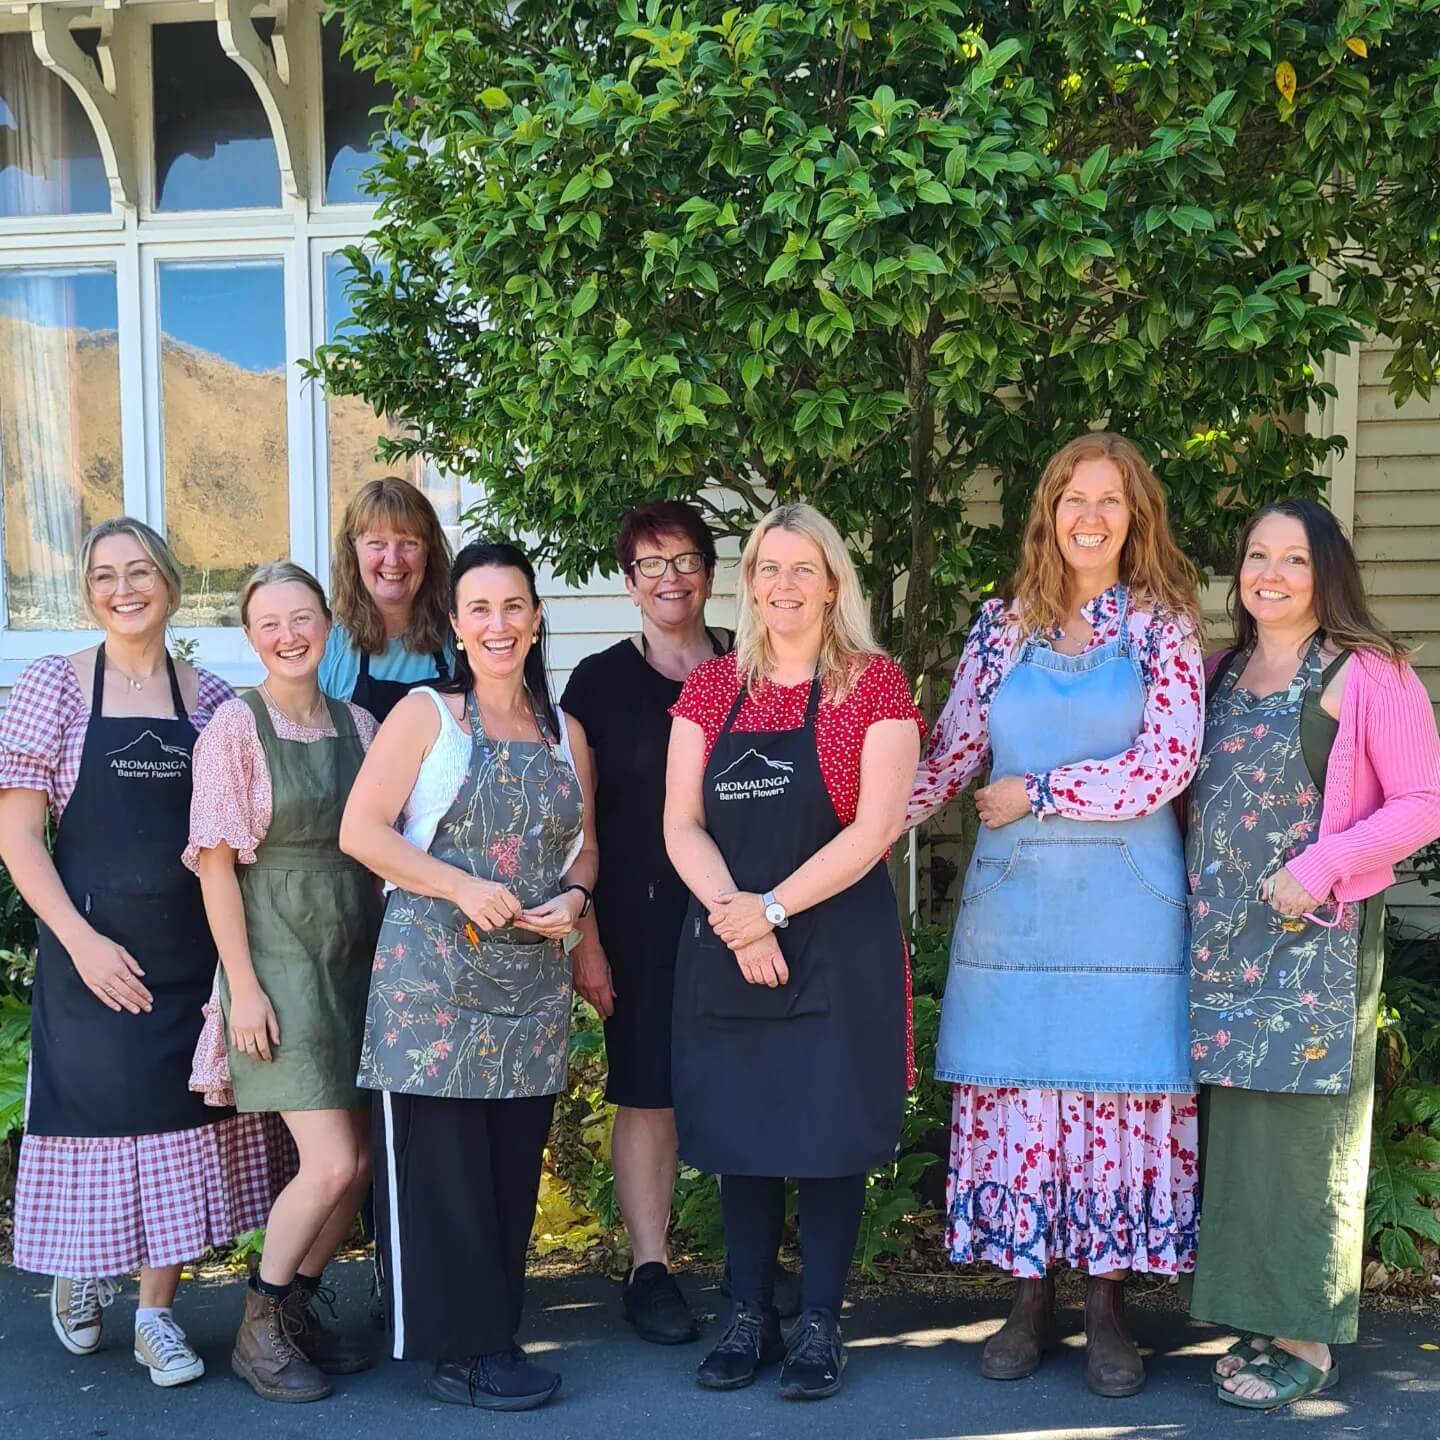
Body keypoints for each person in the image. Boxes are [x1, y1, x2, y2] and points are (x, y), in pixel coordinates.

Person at [907, 433, 1205, 1398]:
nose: (1089, 516)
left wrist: (1036, 790)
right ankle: (1028, 1298)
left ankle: (1108, 1308)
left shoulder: (1164, 625)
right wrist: (853, 838)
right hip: (1017, 909)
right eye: (1073, 497)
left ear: (1136, 517)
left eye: (1110, 500)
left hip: (1127, 911)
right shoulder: (1002, 627)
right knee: (1020, 1101)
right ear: (1048, 511)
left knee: (1116, 1100)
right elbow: (953, 754)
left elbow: (1168, 762)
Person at [0, 518, 284, 1388]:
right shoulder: (52, 686)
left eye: (138, 572)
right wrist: (79, 945)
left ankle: (157, 1314)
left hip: (187, 960)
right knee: (97, 1121)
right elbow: (18, 839)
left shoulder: (210, 701)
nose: (122, 589)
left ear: (168, 579)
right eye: (103, 576)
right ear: (89, 593)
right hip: (89, 955)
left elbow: (234, 843)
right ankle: (79, 1275)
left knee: (179, 1126)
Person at [665, 503, 924, 1401]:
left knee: (825, 1139)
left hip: (832, 944)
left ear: (834, 582)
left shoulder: (875, 687)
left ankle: (820, 1323)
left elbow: (875, 829)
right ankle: (750, 1317)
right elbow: (681, 822)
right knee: (744, 1137)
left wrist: (770, 909)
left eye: (802, 568)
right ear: (751, 583)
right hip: (733, 939)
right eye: (768, 568)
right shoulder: (710, 690)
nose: (784, 585)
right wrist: (737, 919)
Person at [1187, 498, 1440, 1411]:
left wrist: (1322, 865)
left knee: (1305, 1139)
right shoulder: (1218, 672)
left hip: (1312, 944)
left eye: (1294, 559)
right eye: (1257, 555)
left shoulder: (1370, 671)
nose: (1272, 575)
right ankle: (1261, 1311)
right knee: (1244, 1136)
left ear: (1326, 572)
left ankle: (1307, 1338)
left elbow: (1422, 800)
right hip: (1220, 942)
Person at [340, 540, 598, 1413]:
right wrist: (460, 884)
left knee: (508, 1172)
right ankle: (461, 1354)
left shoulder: (567, 732)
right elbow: (363, 832)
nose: (499, 624)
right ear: (456, 623)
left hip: (529, 988)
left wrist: (576, 899)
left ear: (534, 619)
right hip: (432, 986)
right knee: (441, 1177)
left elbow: (584, 845)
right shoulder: (426, 715)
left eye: (514, 607)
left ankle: (495, 1335)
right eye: (480, 609)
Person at [187, 562, 382, 1402]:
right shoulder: (234, 728)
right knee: (332, 1161)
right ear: (250, 636)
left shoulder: (361, 724)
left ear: (328, 625)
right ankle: (259, 1323)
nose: (289, 635)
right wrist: (244, 988)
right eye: (270, 623)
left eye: (302, 618)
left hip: (355, 951)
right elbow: (217, 869)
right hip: (277, 957)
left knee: (362, 1164)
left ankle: (296, 1308)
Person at [560, 501, 729, 1344]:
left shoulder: (752, 662)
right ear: (628, 584)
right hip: (636, 916)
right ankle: (650, 1267)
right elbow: (577, 826)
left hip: (745, 914)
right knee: (647, 1091)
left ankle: (748, 1261)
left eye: (686, 560)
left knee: (752, 1077)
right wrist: (585, 939)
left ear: (709, 570)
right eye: (650, 565)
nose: (671, 578)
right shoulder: (596, 683)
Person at [319, 477, 454, 722]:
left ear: (428, 552)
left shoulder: (459, 640)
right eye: (377, 544)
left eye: (409, 543)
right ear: (353, 549)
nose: (392, 560)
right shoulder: (327, 646)